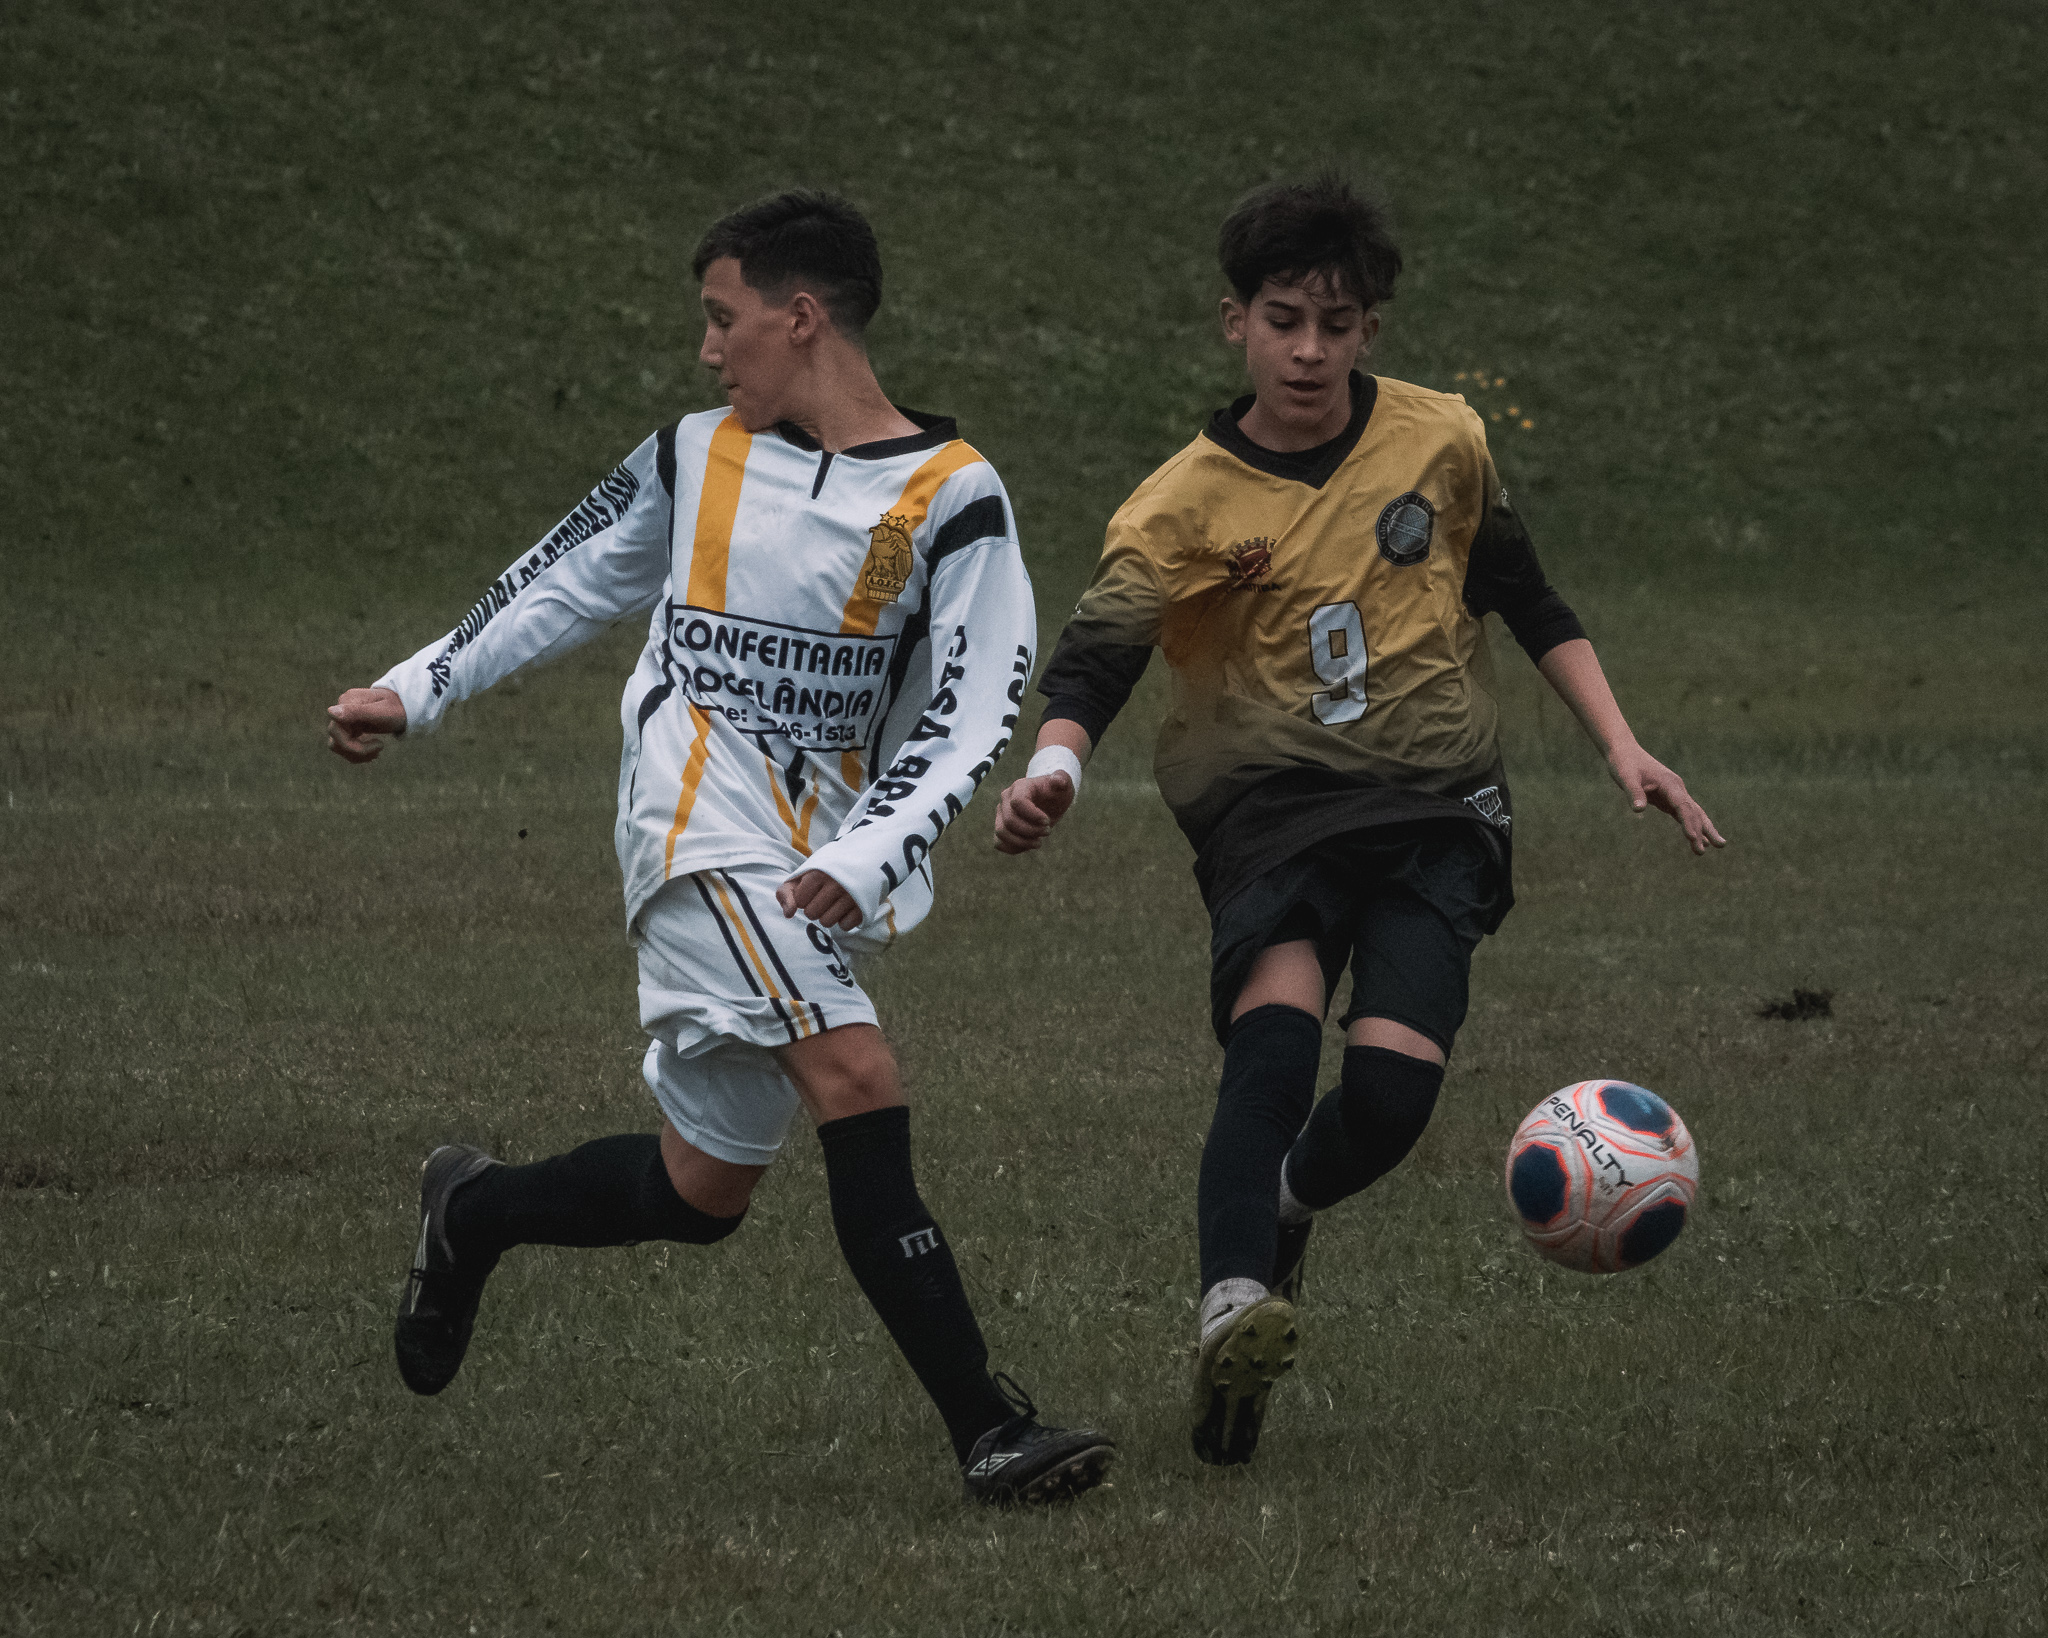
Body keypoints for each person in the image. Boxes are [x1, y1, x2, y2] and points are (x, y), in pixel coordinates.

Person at [326, 189, 1113, 1506]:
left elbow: (981, 704)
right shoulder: (699, 453)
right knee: (857, 1073)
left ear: (799, 318)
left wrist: (872, 855)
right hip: (694, 823)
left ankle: (475, 1209)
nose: (709, 349)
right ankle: (988, 1425)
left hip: (815, 855)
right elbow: (566, 576)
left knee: (702, 1190)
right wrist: (418, 684)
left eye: (722, 317)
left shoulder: (951, 496)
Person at [993, 174, 1723, 1468]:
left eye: (1337, 323)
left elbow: (1527, 596)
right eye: (1285, 320)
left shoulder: (1442, 442)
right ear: (1236, 322)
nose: (1310, 350)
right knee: (1270, 1047)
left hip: (1440, 811)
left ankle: (1281, 1208)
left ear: (1370, 330)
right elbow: (1095, 662)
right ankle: (1232, 1299)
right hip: (1269, 813)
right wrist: (1051, 767)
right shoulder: (1180, 504)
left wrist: (1623, 745)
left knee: (1387, 1096)